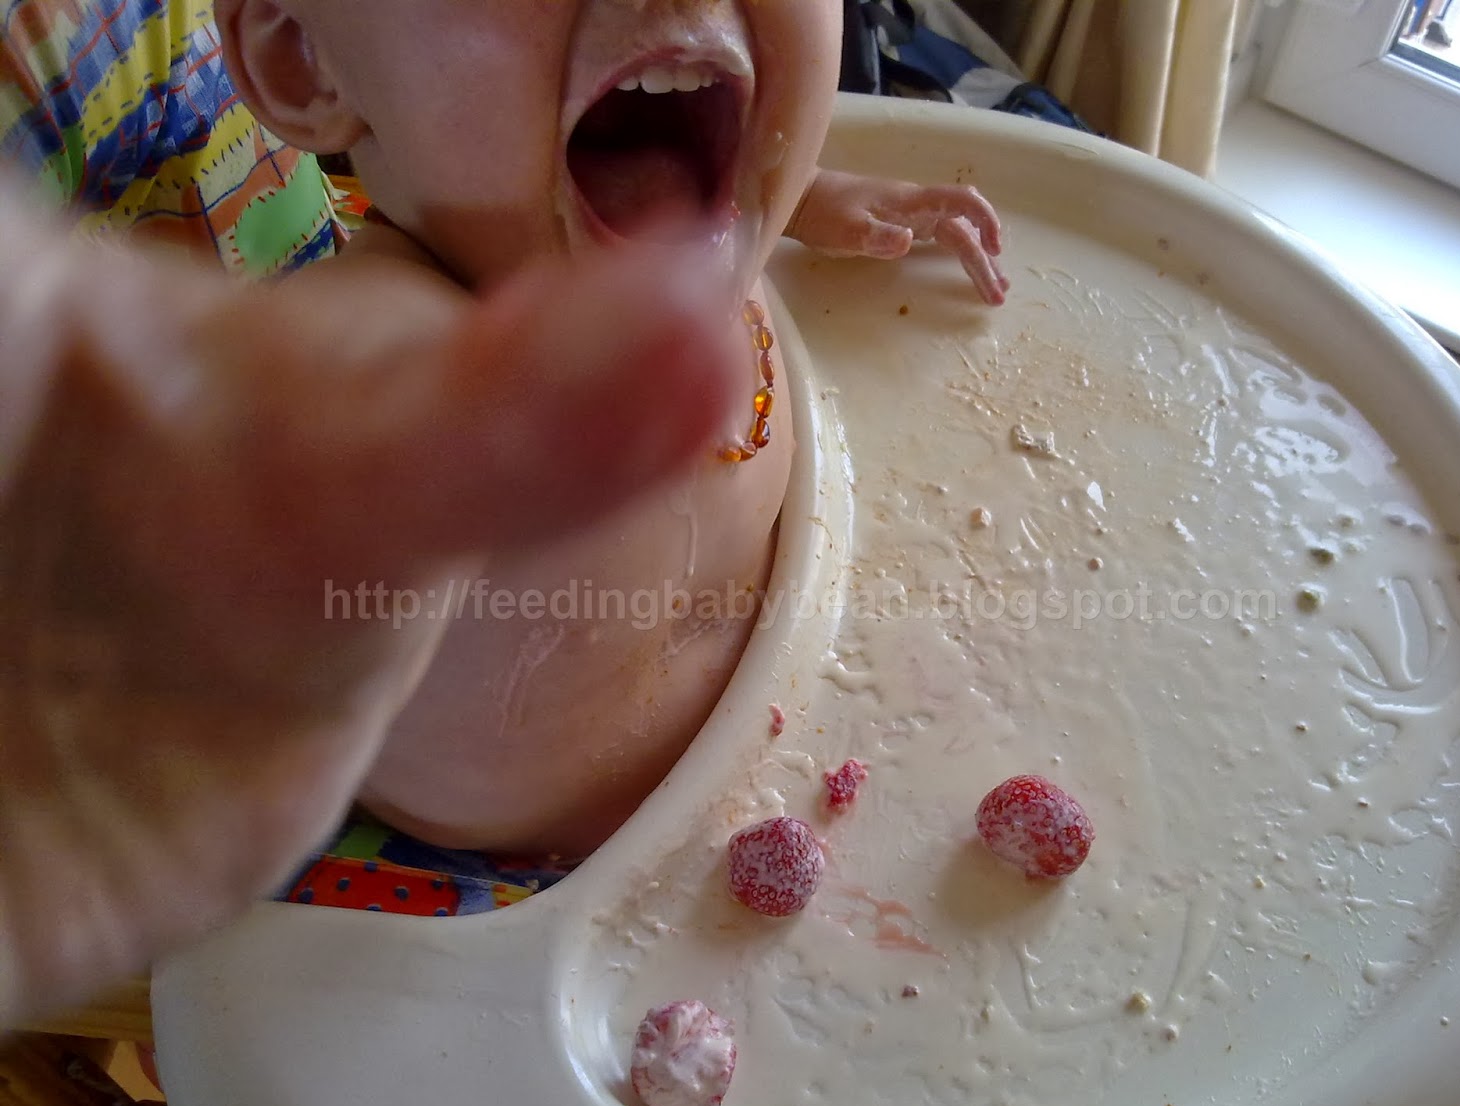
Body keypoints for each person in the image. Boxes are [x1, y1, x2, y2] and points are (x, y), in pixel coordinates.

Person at [0, 0, 1008, 1026]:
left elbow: (757, 170)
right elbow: (346, 408)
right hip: (554, 909)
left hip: (818, 674)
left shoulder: (703, 186)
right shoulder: (425, 352)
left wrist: (811, 199)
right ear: (305, 63)